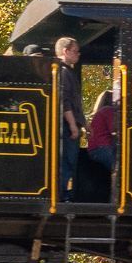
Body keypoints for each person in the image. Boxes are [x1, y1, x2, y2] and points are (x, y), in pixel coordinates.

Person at [52, 36, 85, 199]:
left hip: (70, 124)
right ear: (65, 51)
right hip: (66, 126)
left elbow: (75, 102)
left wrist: (85, 124)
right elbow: (64, 102)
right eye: (75, 51)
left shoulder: (67, 72)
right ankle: (61, 194)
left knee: (69, 161)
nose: (78, 54)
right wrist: (73, 125)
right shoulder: (63, 72)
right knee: (66, 161)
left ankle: (63, 192)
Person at [87, 87, 119, 174]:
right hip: (103, 148)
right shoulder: (108, 110)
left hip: (94, 149)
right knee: (120, 170)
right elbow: (114, 130)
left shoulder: (99, 112)